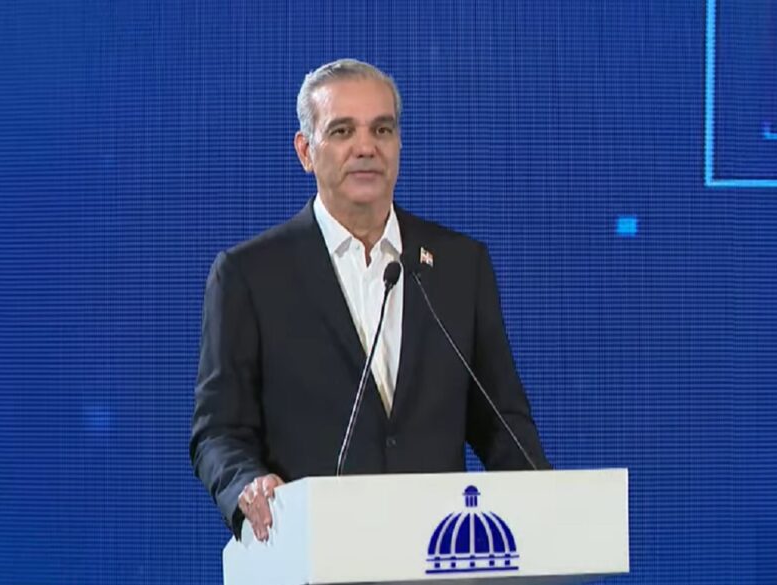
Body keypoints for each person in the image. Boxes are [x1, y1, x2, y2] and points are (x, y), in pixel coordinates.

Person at [190, 58, 550, 543]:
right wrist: (245, 484)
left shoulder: (460, 266)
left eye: (382, 129)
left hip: (435, 553)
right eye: (342, 131)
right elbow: (218, 431)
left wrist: (547, 510)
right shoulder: (249, 275)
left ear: (399, 144)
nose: (366, 147)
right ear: (305, 151)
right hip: (314, 549)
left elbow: (502, 423)